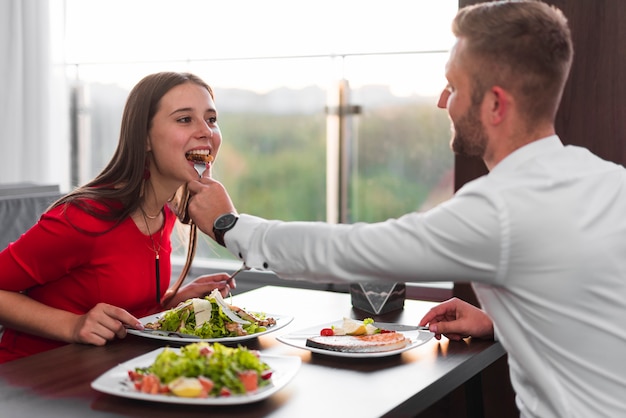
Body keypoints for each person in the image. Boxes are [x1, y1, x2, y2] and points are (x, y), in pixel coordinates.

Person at [186, 1, 626, 417]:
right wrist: (502, 322)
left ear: (494, 104)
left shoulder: (503, 208)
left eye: (453, 86)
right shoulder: (609, 181)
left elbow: (353, 250)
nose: (442, 101)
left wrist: (230, 226)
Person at [0, 71, 236, 363]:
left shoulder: (163, 214)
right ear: (145, 138)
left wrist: (175, 303)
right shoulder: (85, 217)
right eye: (184, 119)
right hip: (30, 384)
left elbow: (120, 304)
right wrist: (73, 326)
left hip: (103, 374)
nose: (206, 131)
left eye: (211, 119)